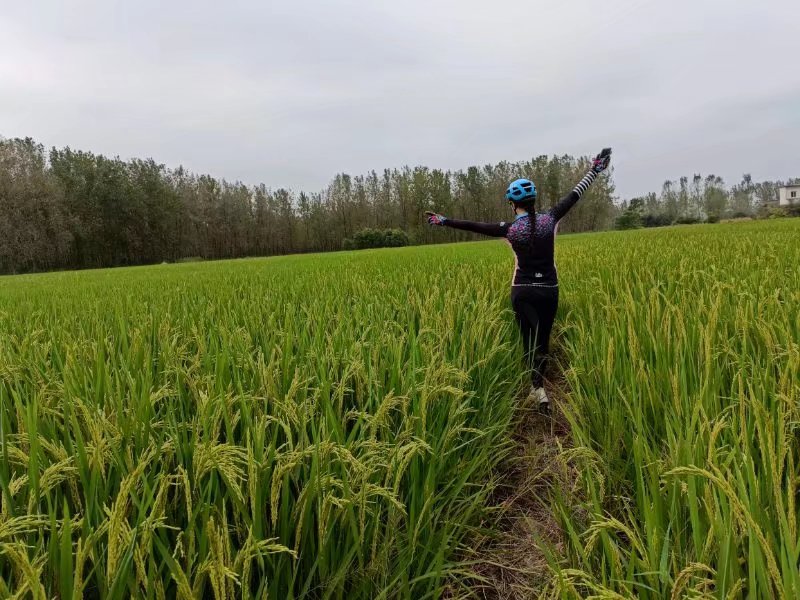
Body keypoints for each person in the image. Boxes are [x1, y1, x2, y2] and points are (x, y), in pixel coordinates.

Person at [425, 148, 612, 414]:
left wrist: (443, 221)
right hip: (549, 290)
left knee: (528, 339)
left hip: (523, 291)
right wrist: (595, 169)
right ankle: (540, 386)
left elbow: (473, 225)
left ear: (513, 204)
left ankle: (535, 389)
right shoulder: (550, 219)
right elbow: (575, 194)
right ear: (533, 201)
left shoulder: (510, 229)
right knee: (543, 340)